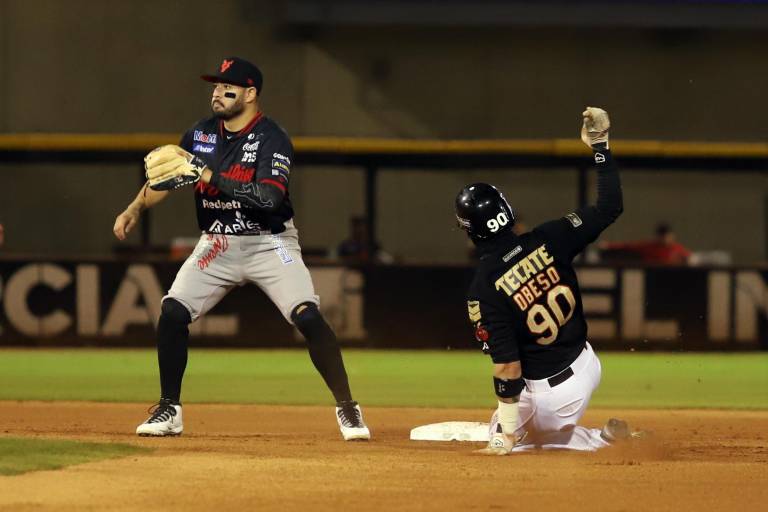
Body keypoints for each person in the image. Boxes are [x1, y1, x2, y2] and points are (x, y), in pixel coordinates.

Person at [113, 57, 370, 441]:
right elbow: (167, 177)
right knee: (171, 312)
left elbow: (268, 198)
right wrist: (135, 206)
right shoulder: (199, 134)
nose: (217, 92)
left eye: (227, 86)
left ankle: (348, 408)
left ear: (250, 94)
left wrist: (206, 173)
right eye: (215, 85)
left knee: (308, 316)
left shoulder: (272, 138)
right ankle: (170, 409)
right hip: (217, 242)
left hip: (272, 243)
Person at [456, 107, 641, 454]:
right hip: (587, 363)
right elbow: (610, 205)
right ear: (507, 211)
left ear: (471, 232)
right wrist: (599, 144)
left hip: (553, 397)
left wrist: (506, 436)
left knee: (516, 440)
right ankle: (562, 432)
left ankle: (600, 442)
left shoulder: (484, 288)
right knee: (515, 422)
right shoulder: (550, 237)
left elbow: (508, 368)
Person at [600, 223, 691, 265]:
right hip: (652, 275)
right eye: (662, 236)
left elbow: (688, 257)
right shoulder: (650, 246)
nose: (665, 239)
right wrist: (609, 245)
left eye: (667, 236)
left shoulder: (677, 248)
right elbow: (628, 246)